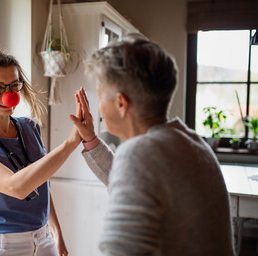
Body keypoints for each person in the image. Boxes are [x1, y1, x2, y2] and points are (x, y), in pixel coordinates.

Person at [69, 39, 235, 255]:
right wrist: (90, 138)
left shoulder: (139, 154)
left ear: (121, 103)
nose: (98, 106)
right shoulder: (192, 143)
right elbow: (138, 180)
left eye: (100, 96)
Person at [0, 49, 79, 256]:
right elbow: (16, 187)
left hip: (43, 238)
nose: (9, 95)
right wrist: (71, 143)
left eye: (14, 85)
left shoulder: (29, 127)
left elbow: (40, 181)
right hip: (0, 245)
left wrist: (56, 234)